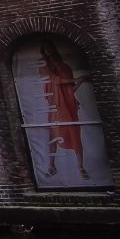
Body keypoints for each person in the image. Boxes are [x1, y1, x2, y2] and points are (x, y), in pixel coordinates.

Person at [39, 40, 89, 182]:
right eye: (45, 48)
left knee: (74, 133)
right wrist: (76, 78)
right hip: (55, 105)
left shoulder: (66, 67)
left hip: (69, 106)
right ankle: (51, 166)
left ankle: (80, 166)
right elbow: (55, 81)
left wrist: (80, 81)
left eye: (49, 47)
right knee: (54, 134)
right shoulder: (45, 65)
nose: (48, 51)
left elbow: (69, 91)